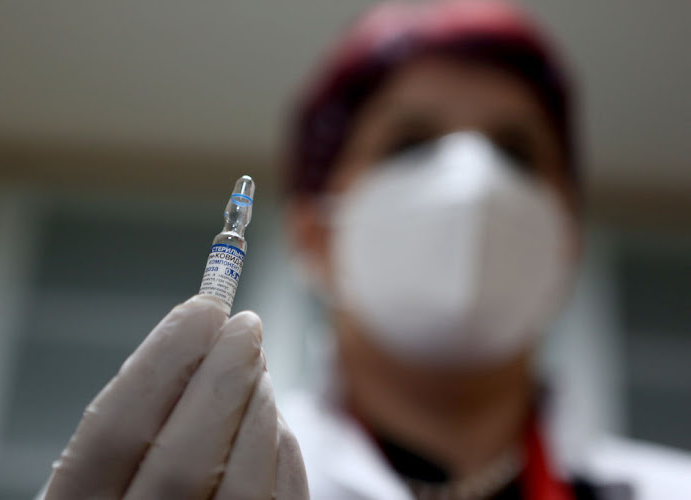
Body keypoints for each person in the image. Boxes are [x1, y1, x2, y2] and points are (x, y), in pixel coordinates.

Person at [39, 1, 691, 499]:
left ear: (565, 242)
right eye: (411, 145)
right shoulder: (213, 471)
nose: (473, 182)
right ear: (316, 235)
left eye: (516, 153)